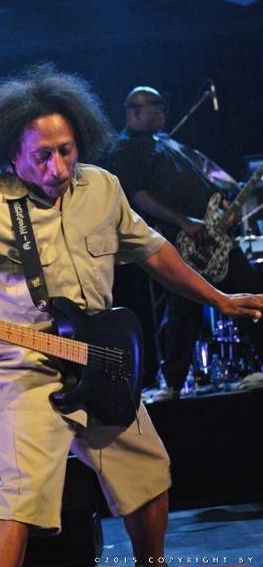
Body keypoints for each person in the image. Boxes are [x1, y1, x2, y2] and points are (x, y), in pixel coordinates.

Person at [0, 65, 262, 567]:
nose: (58, 168)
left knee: (149, 474)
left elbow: (154, 251)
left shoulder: (102, 188)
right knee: (21, 502)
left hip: (100, 361)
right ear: (11, 153)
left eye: (67, 151)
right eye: (42, 156)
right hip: (23, 370)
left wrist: (219, 299)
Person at [107, 85, 263, 399]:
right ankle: (173, 383)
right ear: (135, 110)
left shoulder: (169, 143)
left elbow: (207, 180)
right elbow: (138, 196)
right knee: (182, 310)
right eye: (156, 106)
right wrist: (184, 222)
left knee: (250, 292)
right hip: (181, 241)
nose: (162, 112)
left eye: (162, 107)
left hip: (215, 236)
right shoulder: (125, 149)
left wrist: (223, 207)